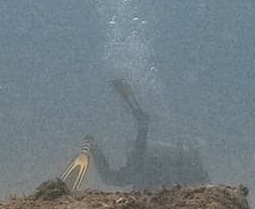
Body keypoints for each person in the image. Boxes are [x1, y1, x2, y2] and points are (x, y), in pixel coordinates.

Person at [61, 79, 207, 189]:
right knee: (114, 178)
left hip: (144, 162)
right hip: (145, 162)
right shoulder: (188, 171)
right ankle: (94, 146)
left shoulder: (186, 169)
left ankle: (93, 146)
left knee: (113, 179)